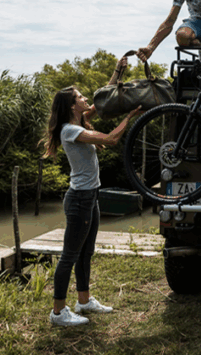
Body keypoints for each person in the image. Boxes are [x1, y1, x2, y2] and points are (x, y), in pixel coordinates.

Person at [40, 79, 142, 327]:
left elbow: (99, 102)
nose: (85, 98)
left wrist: (117, 73)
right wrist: (130, 117)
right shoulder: (70, 130)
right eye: (80, 97)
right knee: (69, 256)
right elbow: (110, 139)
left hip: (91, 196)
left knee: (86, 253)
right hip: (79, 200)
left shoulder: (78, 122)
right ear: (72, 106)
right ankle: (58, 312)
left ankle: (83, 301)